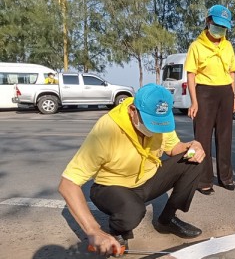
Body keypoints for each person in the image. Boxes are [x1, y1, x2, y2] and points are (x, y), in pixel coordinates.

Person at [58, 84, 207, 257]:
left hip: (148, 179)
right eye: (150, 123)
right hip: (112, 186)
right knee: (132, 212)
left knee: (195, 160)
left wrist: (192, 146)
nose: (154, 130)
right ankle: (117, 229)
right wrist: (93, 231)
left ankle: (166, 221)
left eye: (159, 125)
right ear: (132, 110)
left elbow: (173, 148)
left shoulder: (160, 121)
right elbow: (67, 184)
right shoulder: (107, 131)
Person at [185, 4, 235, 195]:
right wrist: (194, 101)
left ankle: (226, 177)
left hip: (225, 92)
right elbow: (190, 75)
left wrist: (233, 97)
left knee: (225, 137)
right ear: (208, 22)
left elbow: (232, 73)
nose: (220, 30)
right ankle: (203, 180)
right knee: (202, 138)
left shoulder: (228, 45)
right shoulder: (196, 46)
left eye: (224, 27)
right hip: (204, 93)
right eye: (218, 25)